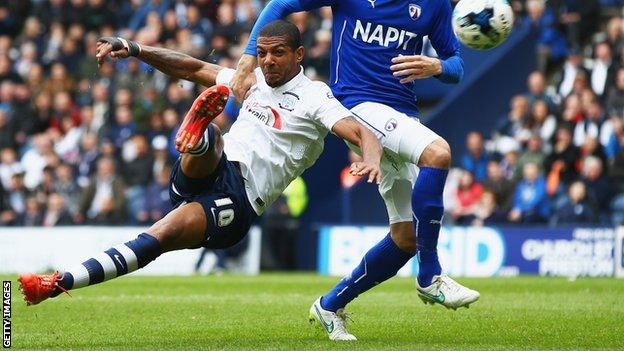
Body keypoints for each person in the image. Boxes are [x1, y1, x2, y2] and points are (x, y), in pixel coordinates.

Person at [18, 22, 383, 333]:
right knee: (213, 141)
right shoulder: (250, 80)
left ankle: (58, 282)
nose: (268, 60)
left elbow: (361, 131)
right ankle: (197, 137)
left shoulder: (315, 97)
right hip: (212, 169)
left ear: (299, 55)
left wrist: (370, 160)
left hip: (240, 198)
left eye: (278, 53)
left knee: (159, 235)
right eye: (262, 53)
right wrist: (134, 47)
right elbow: (192, 69)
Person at [229, 0, 479, 339]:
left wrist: (435, 66)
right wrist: (247, 58)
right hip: (356, 106)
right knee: (438, 153)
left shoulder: (432, 5)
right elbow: (280, 5)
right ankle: (430, 276)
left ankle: (330, 304)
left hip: (402, 114)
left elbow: (457, 66)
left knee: (404, 239)